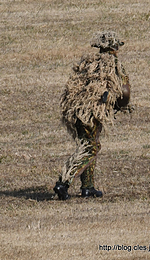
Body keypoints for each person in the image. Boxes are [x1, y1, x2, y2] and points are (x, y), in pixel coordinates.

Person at [53, 31, 131, 200]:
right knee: (90, 148)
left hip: (76, 110)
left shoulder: (88, 62)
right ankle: (64, 183)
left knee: (90, 144)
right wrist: (121, 105)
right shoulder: (114, 65)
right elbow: (125, 92)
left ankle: (88, 187)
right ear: (115, 48)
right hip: (93, 112)